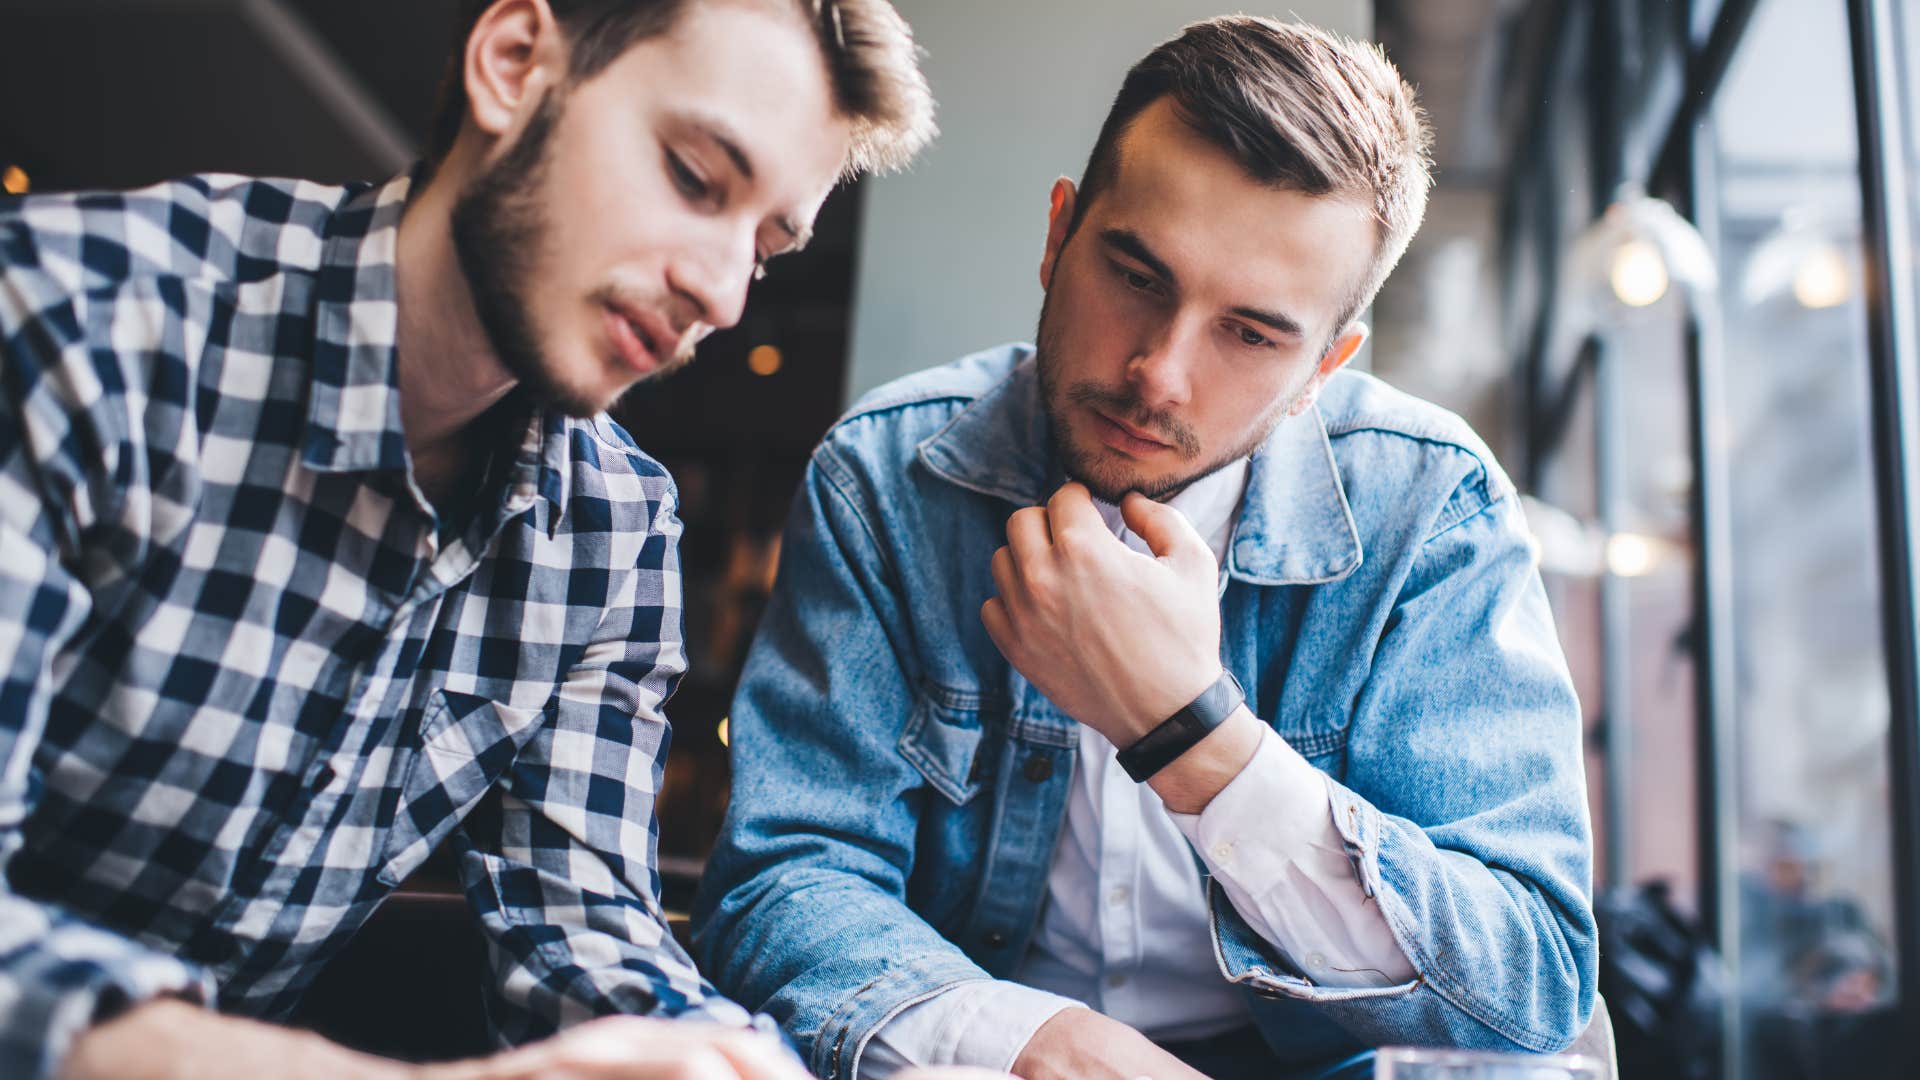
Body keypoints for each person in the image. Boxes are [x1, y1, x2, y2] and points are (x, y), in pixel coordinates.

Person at [0, 2, 942, 1078]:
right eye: (692, 177)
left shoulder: (615, 529)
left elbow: (583, 926)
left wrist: (712, 1060)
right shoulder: (79, 324)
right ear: (512, 64)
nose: (722, 295)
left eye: (765, 250)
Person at [693, 15, 1597, 1080]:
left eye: (1251, 333)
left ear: (1325, 365)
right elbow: (786, 880)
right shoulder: (891, 473)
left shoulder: (1429, 506)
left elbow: (1525, 988)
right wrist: (1043, 1045)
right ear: (1058, 235)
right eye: (1135, 274)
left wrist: (1191, 737)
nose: (1159, 373)